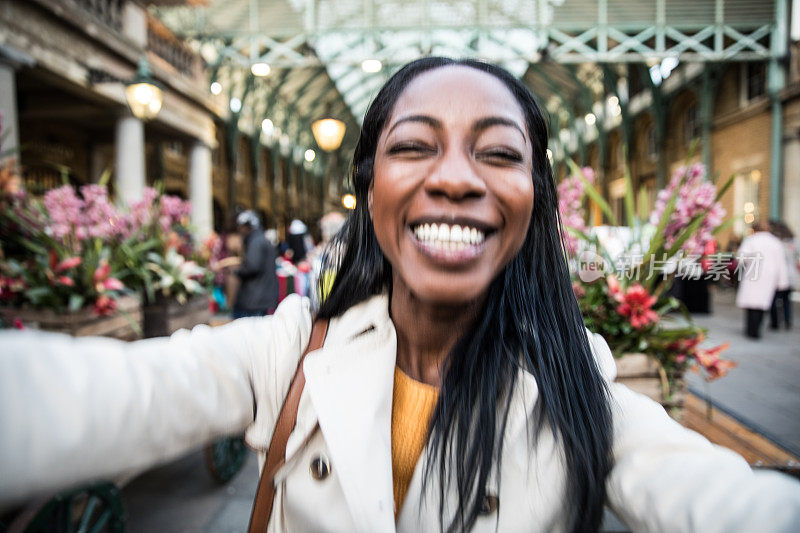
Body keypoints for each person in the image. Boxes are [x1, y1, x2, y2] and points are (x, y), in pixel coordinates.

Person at [1, 58, 800, 532]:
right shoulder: (288, 350)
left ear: (535, 195)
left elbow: (713, 494)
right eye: (413, 145)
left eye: (497, 152)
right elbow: (100, 394)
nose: (453, 177)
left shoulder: (572, 374)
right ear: (369, 187)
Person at [736, 220, 789, 338]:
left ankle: (750, 329)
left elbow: (741, 257)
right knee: (761, 304)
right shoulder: (776, 242)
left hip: (753, 273)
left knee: (751, 304)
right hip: (769, 276)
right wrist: (782, 282)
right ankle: (756, 329)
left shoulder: (751, 240)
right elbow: (781, 264)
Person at [231, 210, 279, 318]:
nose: (239, 229)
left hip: (255, 300)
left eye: (241, 226)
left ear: (248, 226)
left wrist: (237, 271)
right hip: (261, 298)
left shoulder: (256, 242)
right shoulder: (261, 239)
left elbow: (252, 266)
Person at [769, 220, 797, 330]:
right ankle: (787, 320)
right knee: (787, 299)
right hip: (790, 274)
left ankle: (775, 322)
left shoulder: (775, 242)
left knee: (774, 299)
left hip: (777, 274)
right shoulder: (793, 241)